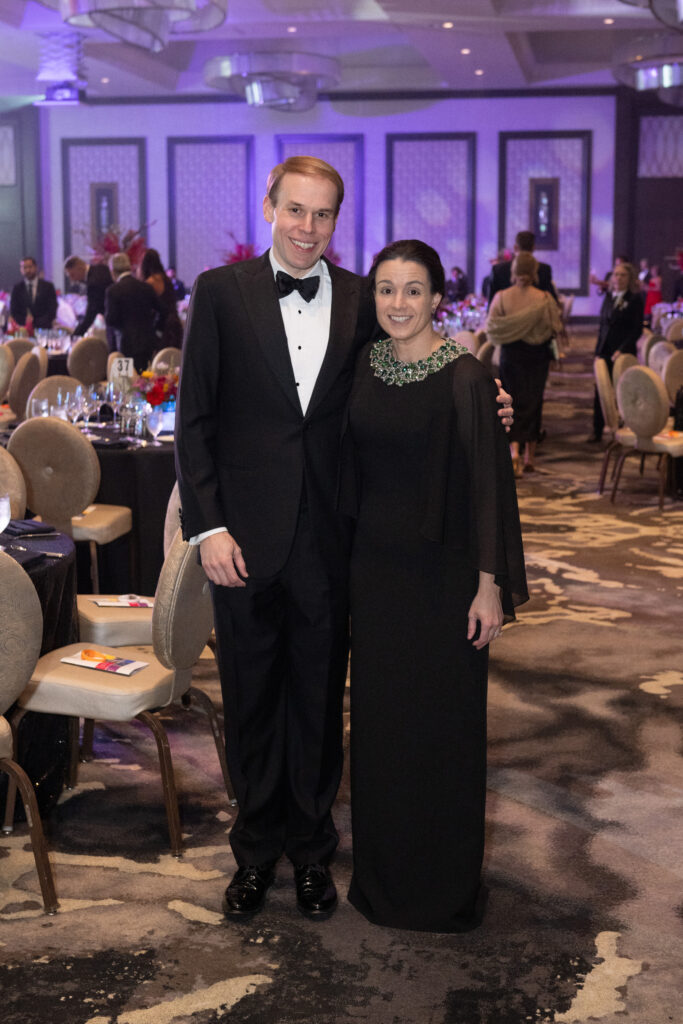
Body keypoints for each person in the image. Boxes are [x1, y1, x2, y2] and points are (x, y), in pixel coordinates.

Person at [175, 155, 515, 924]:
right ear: (268, 208)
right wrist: (210, 528)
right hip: (243, 542)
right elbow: (192, 424)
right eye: (294, 210)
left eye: (322, 214)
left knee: (319, 703)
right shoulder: (220, 294)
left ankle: (310, 852)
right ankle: (255, 853)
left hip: (337, 541)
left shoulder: (364, 298)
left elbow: (416, 362)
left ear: (336, 222)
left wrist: (484, 398)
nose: (306, 227)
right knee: (254, 701)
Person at [342, 239, 528, 932]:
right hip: (375, 576)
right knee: (383, 731)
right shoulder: (363, 364)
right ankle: (382, 878)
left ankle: (441, 889)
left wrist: (489, 587)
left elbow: (488, 490)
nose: (397, 303)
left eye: (412, 290)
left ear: (437, 298)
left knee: (443, 731)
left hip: (445, 579)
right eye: (385, 289)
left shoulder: (468, 377)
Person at [487, 252, 564, 474]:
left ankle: (514, 451)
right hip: (536, 357)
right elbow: (554, 328)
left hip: (510, 356)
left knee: (509, 402)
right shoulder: (544, 299)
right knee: (533, 402)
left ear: (513, 271)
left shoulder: (501, 297)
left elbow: (492, 329)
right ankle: (530, 455)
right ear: (534, 272)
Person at [588, 261, 644, 443]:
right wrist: (597, 351)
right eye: (616, 274)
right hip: (605, 350)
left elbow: (636, 330)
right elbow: (603, 327)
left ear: (630, 279)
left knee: (622, 391)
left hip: (623, 353)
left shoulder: (635, 299)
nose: (618, 278)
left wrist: (622, 350)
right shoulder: (609, 297)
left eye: (622, 275)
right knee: (600, 390)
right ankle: (597, 430)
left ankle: (624, 428)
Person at [104, 251, 161, 373]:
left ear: (113, 271)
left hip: (124, 344)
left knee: (126, 383)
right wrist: (154, 327)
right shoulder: (146, 287)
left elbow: (110, 319)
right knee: (144, 381)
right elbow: (162, 310)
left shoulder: (113, 290)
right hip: (147, 342)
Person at [487, 231, 557, 307]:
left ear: (515, 247)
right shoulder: (544, 269)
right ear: (533, 248)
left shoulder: (498, 270)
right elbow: (552, 303)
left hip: (506, 316)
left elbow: (491, 303)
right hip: (535, 317)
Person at [140, 248, 183, 349]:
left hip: (160, 328)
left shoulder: (150, 282)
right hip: (174, 325)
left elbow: (149, 309)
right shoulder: (167, 279)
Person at [63, 255, 113, 336]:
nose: (72, 280)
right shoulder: (101, 268)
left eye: (72, 275)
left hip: (113, 321)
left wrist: (75, 336)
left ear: (79, 267)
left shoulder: (93, 282)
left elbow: (91, 313)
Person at [9, 256, 58, 330]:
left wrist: (36, 322)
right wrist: (26, 323)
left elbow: (52, 309)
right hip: (23, 329)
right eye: (24, 267)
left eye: (30, 267)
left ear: (36, 267)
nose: (28, 270)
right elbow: (14, 311)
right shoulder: (17, 288)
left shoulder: (48, 287)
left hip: (44, 329)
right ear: (21, 270)